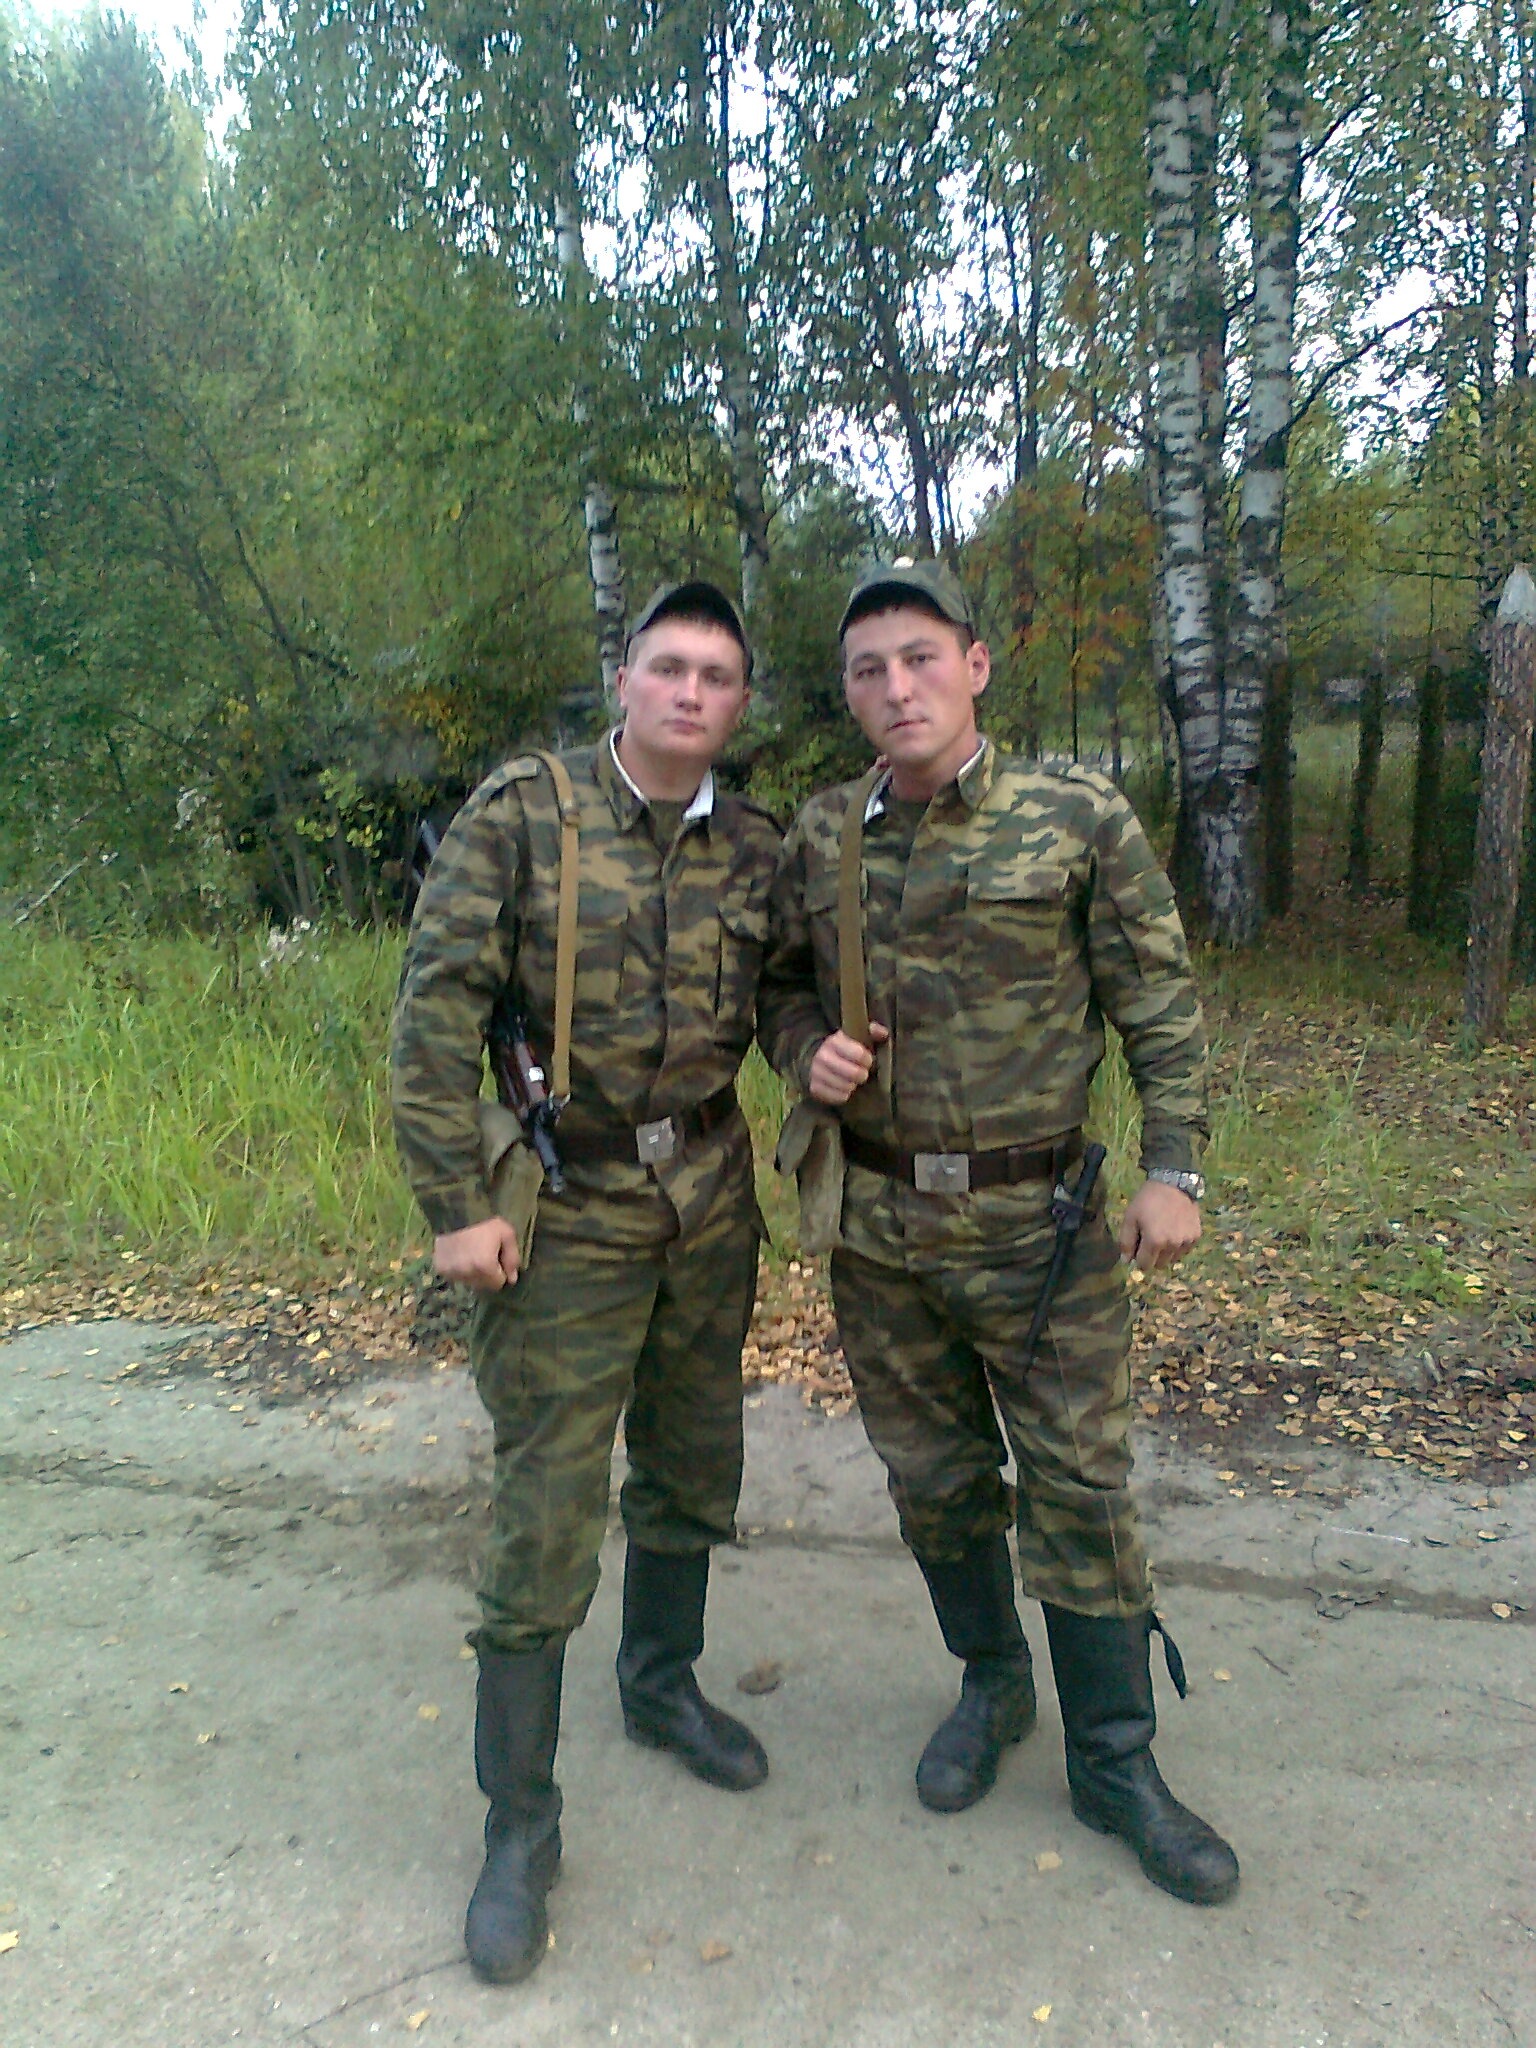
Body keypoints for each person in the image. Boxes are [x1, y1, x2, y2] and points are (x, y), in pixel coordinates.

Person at [758, 558, 1239, 1907]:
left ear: (974, 665)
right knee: (936, 1480)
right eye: (868, 670)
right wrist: (804, 1055)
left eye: (921, 658)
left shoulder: (1075, 816)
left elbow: (1159, 1002)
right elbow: (780, 988)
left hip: (1042, 1226)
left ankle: (1116, 1760)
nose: (897, 687)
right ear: (849, 694)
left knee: (1080, 1486)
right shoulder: (824, 835)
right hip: (879, 1226)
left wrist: (1176, 1171)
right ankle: (992, 1684)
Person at [390, 582, 782, 1984]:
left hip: (707, 1197)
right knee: (549, 1506)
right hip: (563, 1206)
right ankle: (520, 1824)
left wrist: (826, 1048)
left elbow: (791, 992)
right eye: (668, 667)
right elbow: (433, 1013)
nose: (690, 692)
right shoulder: (524, 814)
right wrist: (455, 1206)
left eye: (716, 676)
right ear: (624, 678)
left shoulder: (755, 845)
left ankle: (661, 1687)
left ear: (739, 702)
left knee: (690, 1459)